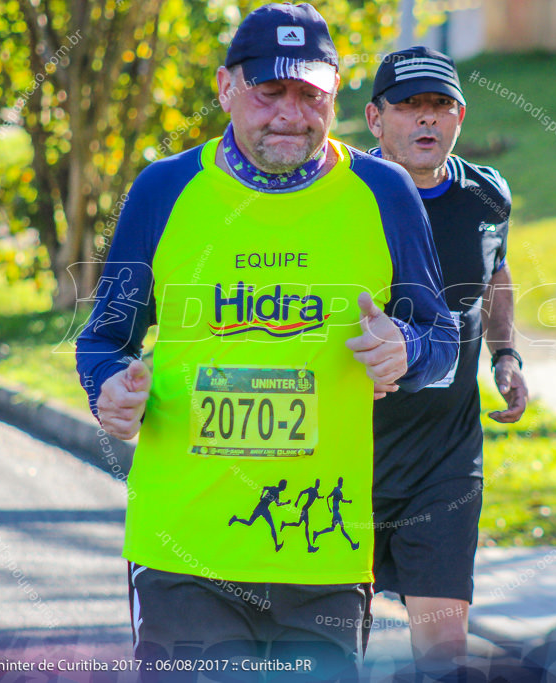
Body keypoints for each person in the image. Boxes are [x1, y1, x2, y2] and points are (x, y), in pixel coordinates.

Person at [75, 5, 457, 680]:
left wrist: (409, 350)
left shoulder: (384, 192)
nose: (290, 112)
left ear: (335, 93)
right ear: (225, 87)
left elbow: (441, 336)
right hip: (182, 550)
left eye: (310, 94)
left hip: (324, 554)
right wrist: (108, 389)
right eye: (269, 91)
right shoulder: (165, 189)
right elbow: (105, 337)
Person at [364, 46, 529, 677]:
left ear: (459, 117)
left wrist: (505, 355)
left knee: (442, 650)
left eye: (440, 107)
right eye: (410, 107)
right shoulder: (344, 195)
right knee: (330, 642)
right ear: (376, 119)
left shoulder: (485, 196)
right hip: (346, 455)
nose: (426, 121)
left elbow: (496, 274)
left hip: (444, 457)